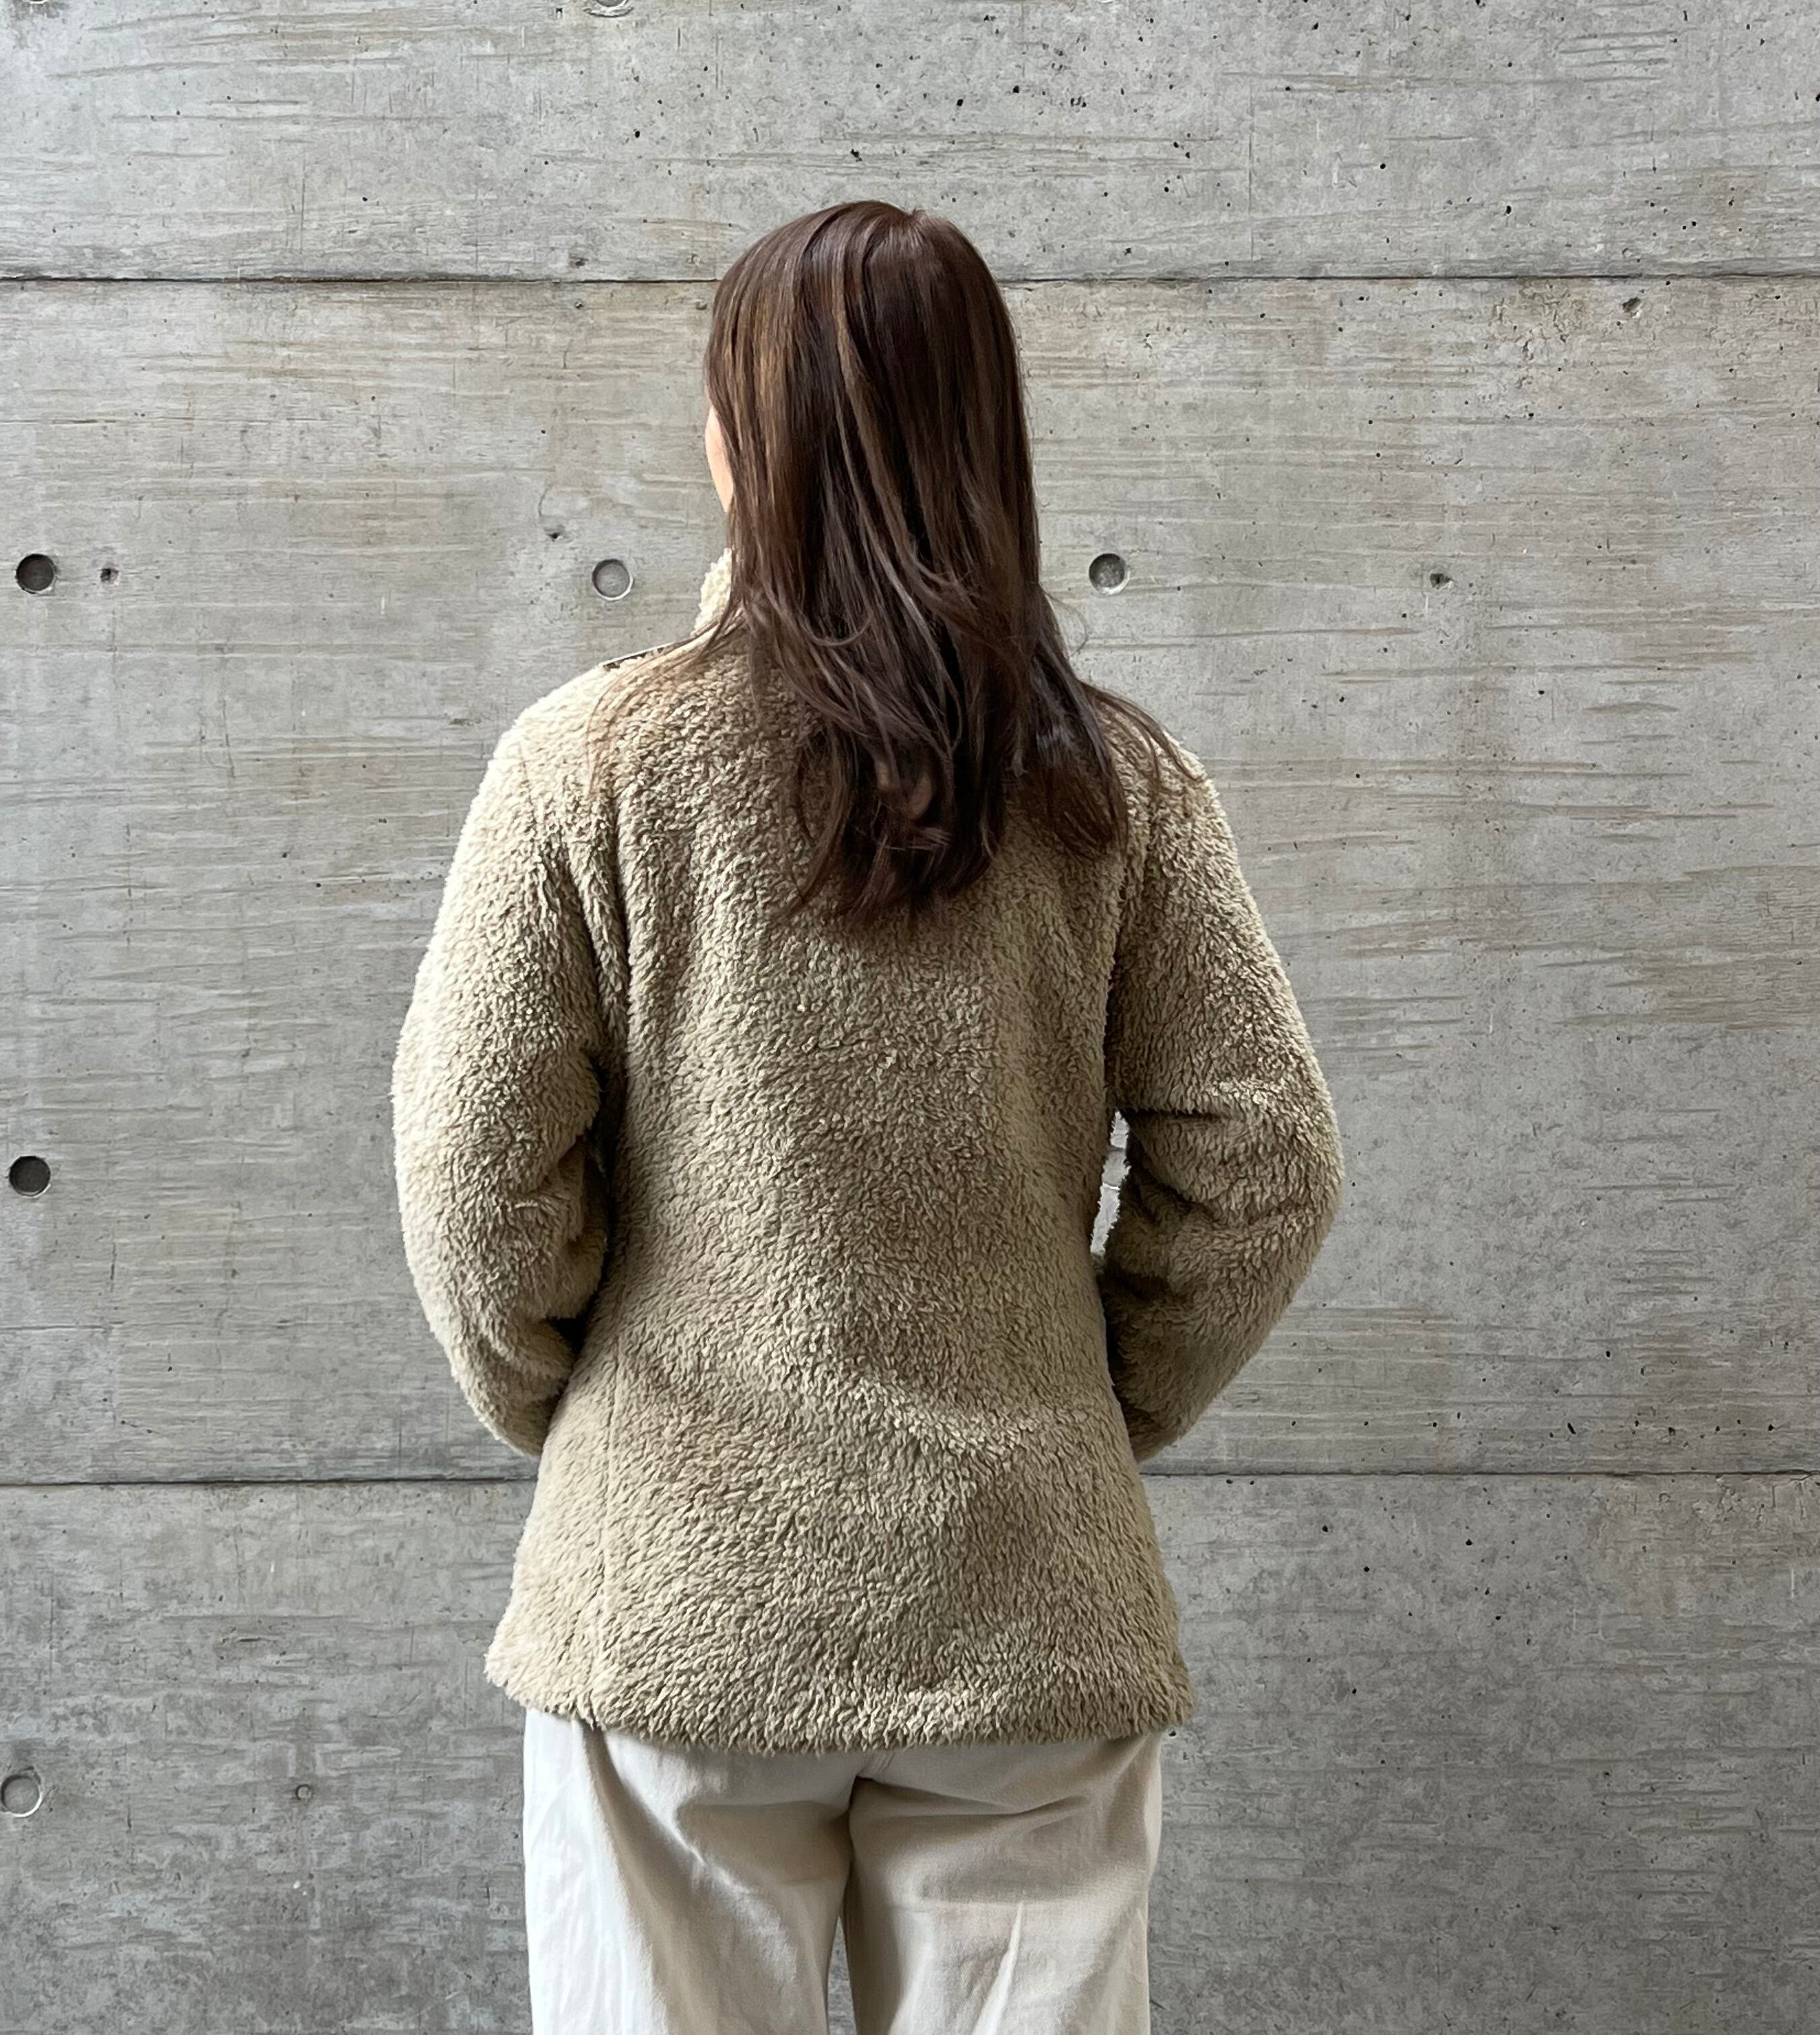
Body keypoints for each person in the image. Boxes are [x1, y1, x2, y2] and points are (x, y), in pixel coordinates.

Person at [391, 199, 1345, 2035]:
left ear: (743, 436)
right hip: (1023, 1593)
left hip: (673, 1594)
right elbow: (1266, 1163)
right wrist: (1086, 1403)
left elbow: (472, 1171)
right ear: (984, 438)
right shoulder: (1113, 784)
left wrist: (579, 1411)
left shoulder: (592, 764)